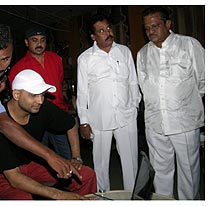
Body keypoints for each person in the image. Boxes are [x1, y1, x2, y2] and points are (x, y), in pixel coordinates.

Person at [136, 6, 205, 200]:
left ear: (168, 24)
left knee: (188, 171)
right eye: (147, 28)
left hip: (183, 121)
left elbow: (204, 80)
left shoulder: (189, 45)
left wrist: (184, 101)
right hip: (155, 122)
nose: (150, 31)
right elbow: (144, 87)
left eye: (155, 25)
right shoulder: (142, 54)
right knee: (160, 171)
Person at [0, 69, 97, 199]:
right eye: (33, 95)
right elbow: (15, 179)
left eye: (42, 95)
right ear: (16, 94)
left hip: (31, 164)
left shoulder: (41, 106)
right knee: (23, 198)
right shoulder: (2, 123)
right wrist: (59, 195)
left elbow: (71, 124)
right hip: (5, 175)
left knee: (86, 175)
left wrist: (76, 157)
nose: (40, 100)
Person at [0, 24, 75, 179]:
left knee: (66, 168)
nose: (39, 44)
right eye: (35, 40)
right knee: (37, 161)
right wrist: (49, 155)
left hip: (53, 114)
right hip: (29, 121)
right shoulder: (18, 67)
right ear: (27, 42)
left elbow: (59, 84)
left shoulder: (56, 59)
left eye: (42, 40)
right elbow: (6, 120)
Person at [76, 14, 141, 191]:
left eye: (108, 28)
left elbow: (133, 82)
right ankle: (103, 196)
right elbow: (82, 93)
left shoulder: (124, 51)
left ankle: (132, 196)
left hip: (126, 115)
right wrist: (84, 121)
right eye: (101, 31)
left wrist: (134, 106)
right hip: (99, 118)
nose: (107, 33)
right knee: (101, 162)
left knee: (131, 162)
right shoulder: (85, 58)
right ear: (93, 37)